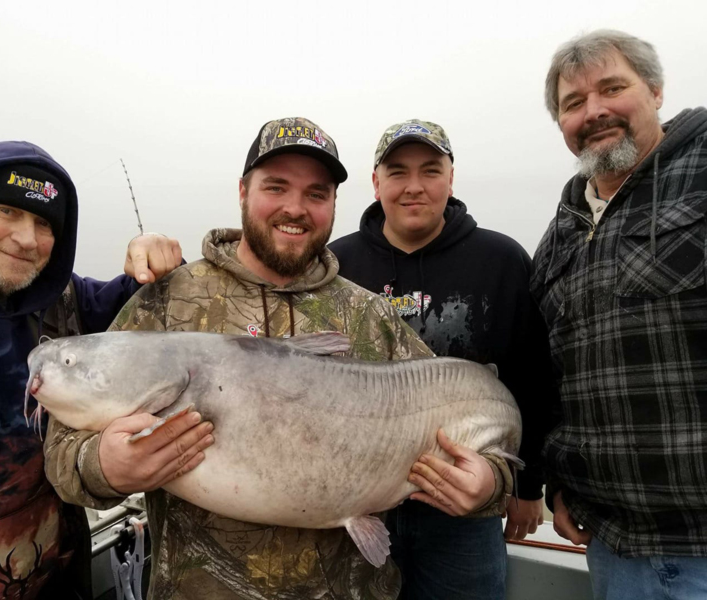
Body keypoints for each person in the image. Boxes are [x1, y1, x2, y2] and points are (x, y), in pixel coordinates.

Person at [44, 117, 515, 600]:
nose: (296, 207)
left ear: (334, 204)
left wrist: (489, 487)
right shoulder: (169, 300)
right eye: (277, 187)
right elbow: (63, 450)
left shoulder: (369, 314)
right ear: (244, 190)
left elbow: (480, 436)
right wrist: (105, 467)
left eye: (316, 193)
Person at [0, 140, 183, 599]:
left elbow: (151, 297)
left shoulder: (63, 302)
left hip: (58, 578)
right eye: (6, 211)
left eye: (43, 222)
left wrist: (153, 251)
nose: (26, 238)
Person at [329, 120, 556, 599]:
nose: (414, 186)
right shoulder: (334, 265)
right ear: (376, 182)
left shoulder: (501, 259)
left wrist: (528, 485)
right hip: (358, 501)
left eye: (430, 171)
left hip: (463, 511)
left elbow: (534, 376)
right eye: (397, 172)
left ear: (451, 179)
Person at [532, 29, 707, 599]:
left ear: (655, 90)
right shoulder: (557, 237)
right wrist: (556, 480)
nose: (594, 111)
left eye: (612, 88)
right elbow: (553, 379)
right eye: (573, 103)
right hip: (613, 548)